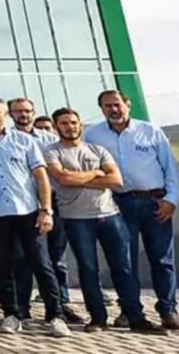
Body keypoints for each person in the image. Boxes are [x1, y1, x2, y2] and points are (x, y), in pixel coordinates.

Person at [44, 107, 166, 334]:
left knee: (124, 267)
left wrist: (83, 177)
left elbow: (116, 179)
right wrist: (96, 174)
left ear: (80, 124)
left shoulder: (97, 149)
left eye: (73, 122)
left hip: (110, 216)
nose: (69, 127)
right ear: (56, 126)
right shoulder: (51, 152)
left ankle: (135, 317)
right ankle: (98, 318)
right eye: (63, 123)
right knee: (88, 268)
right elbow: (63, 178)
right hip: (76, 218)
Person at [0, 95, 70, 337]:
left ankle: (55, 315)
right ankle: (12, 314)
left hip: (28, 211)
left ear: (5, 114)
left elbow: (41, 176)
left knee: (42, 264)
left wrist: (46, 210)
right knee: (1, 266)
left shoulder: (25, 141)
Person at [84, 89, 179, 329]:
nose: (113, 110)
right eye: (107, 106)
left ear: (128, 105)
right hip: (117, 204)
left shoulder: (150, 131)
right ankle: (130, 310)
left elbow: (170, 168)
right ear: (101, 109)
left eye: (117, 104)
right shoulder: (92, 135)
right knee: (123, 260)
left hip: (155, 203)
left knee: (162, 259)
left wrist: (172, 199)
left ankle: (168, 309)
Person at [9, 97, 78, 324]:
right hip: (22, 207)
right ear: (10, 114)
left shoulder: (50, 141)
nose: (23, 115)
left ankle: (60, 304)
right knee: (22, 259)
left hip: (51, 206)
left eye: (27, 111)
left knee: (56, 258)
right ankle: (22, 307)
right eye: (18, 111)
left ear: (34, 111)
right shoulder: (7, 140)